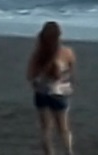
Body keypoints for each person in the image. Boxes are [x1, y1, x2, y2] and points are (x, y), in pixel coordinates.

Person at [26, 21, 76, 155]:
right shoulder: (67, 52)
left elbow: (30, 75)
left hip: (42, 93)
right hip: (59, 92)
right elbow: (70, 72)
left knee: (46, 129)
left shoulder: (38, 54)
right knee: (64, 128)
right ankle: (68, 152)